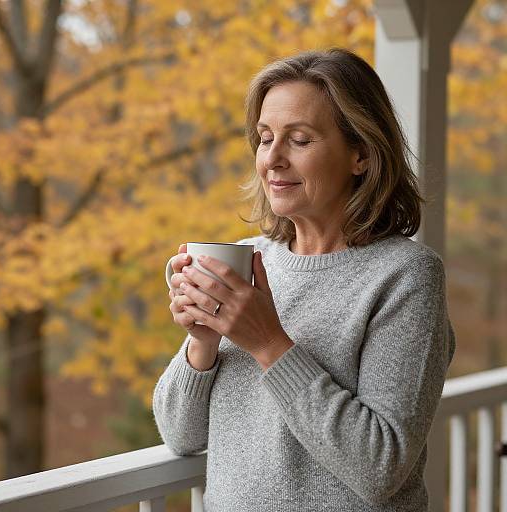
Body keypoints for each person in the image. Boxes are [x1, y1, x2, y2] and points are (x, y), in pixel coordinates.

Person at [152, 47, 456, 511]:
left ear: (361, 154)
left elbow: (380, 469)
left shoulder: (406, 277)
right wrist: (202, 344)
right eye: (265, 137)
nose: (271, 159)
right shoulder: (249, 261)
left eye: (299, 140)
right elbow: (180, 435)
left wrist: (268, 343)